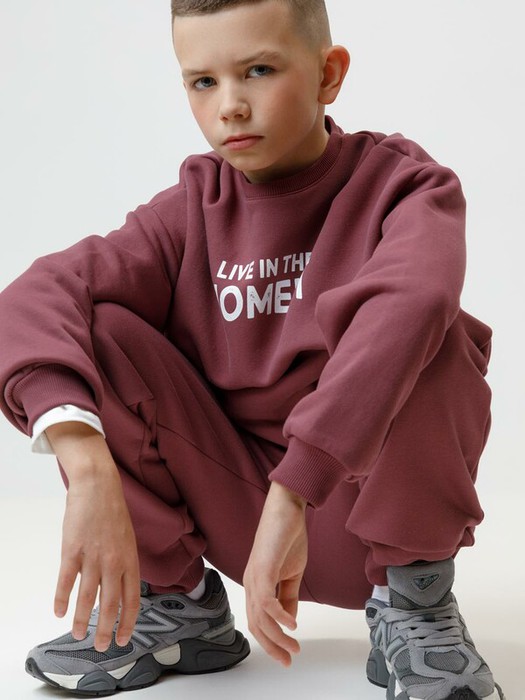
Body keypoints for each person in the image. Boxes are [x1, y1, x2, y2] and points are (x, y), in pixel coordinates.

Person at [0, 1, 505, 698]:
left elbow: (414, 302)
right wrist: (85, 462)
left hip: (369, 521)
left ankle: (417, 608)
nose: (230, 106)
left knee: (433, 334)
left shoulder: (406, 187)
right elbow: (35, 295)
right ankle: (175, 606)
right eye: (203, 82)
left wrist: (296, 488)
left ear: (328, 75)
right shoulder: (190, 211)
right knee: (101, 329)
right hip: (238, 515)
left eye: (259, 71)